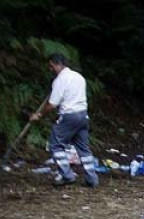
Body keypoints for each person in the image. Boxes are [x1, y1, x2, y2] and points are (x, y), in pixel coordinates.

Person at [30, 53, 98, 187]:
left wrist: (38, 115)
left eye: (51, 66)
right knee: (83, 148)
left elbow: (52, 104)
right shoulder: (79, 77)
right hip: (83, 116)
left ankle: (67, 175)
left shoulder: (60, 80)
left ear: (58, 64)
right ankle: (92, 179)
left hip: (69, 115)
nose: (51, 69)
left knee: (55, 144)